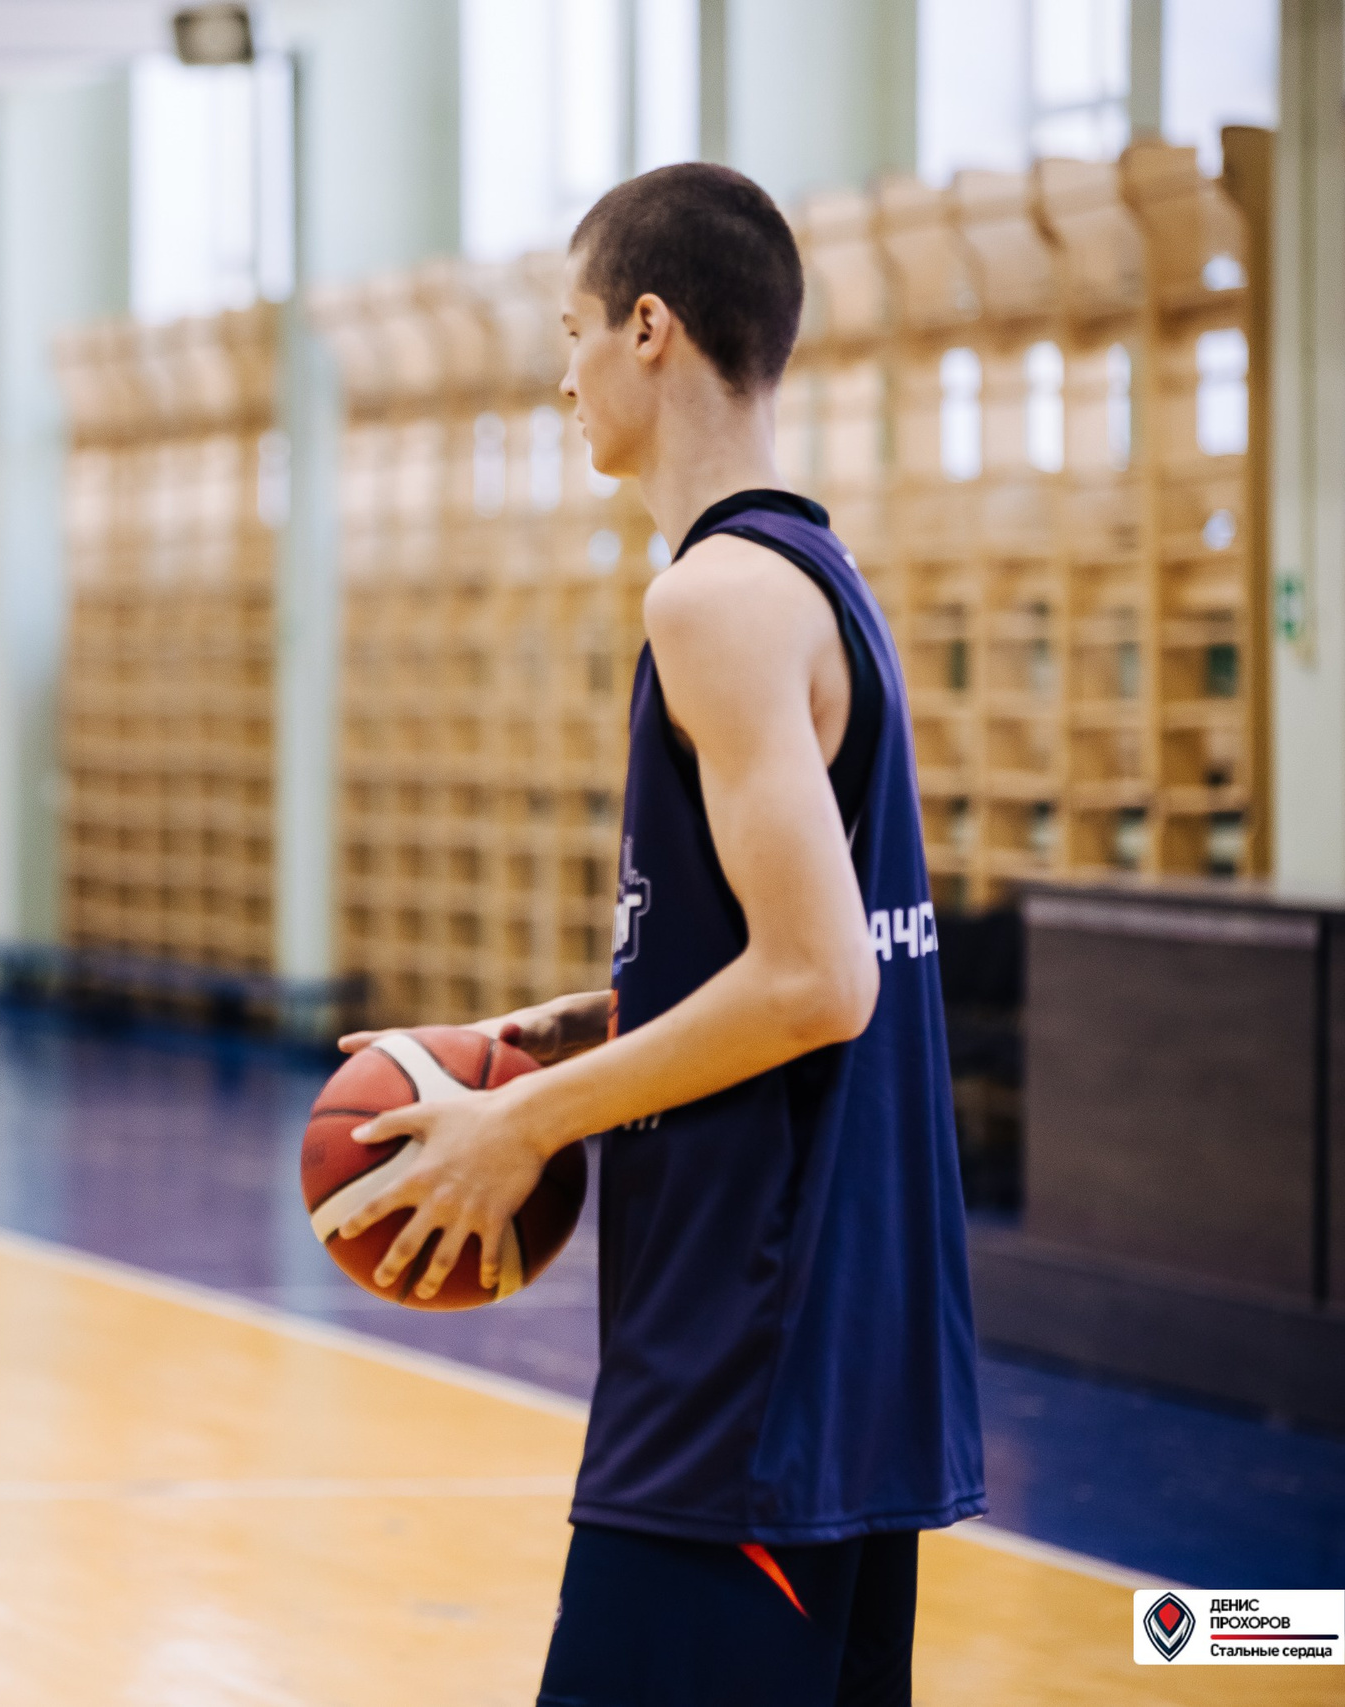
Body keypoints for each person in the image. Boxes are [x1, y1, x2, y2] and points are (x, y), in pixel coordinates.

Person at [336, 164, 984, 1705]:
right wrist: (596, 1016)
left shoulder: (711, 601)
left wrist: (520, 1122)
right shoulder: (817, 575)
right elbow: (810, 939)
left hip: (739, 1372)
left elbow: (824, 979)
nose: (558, 373)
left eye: (570, 328)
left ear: (649, 326)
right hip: (840, 1354)